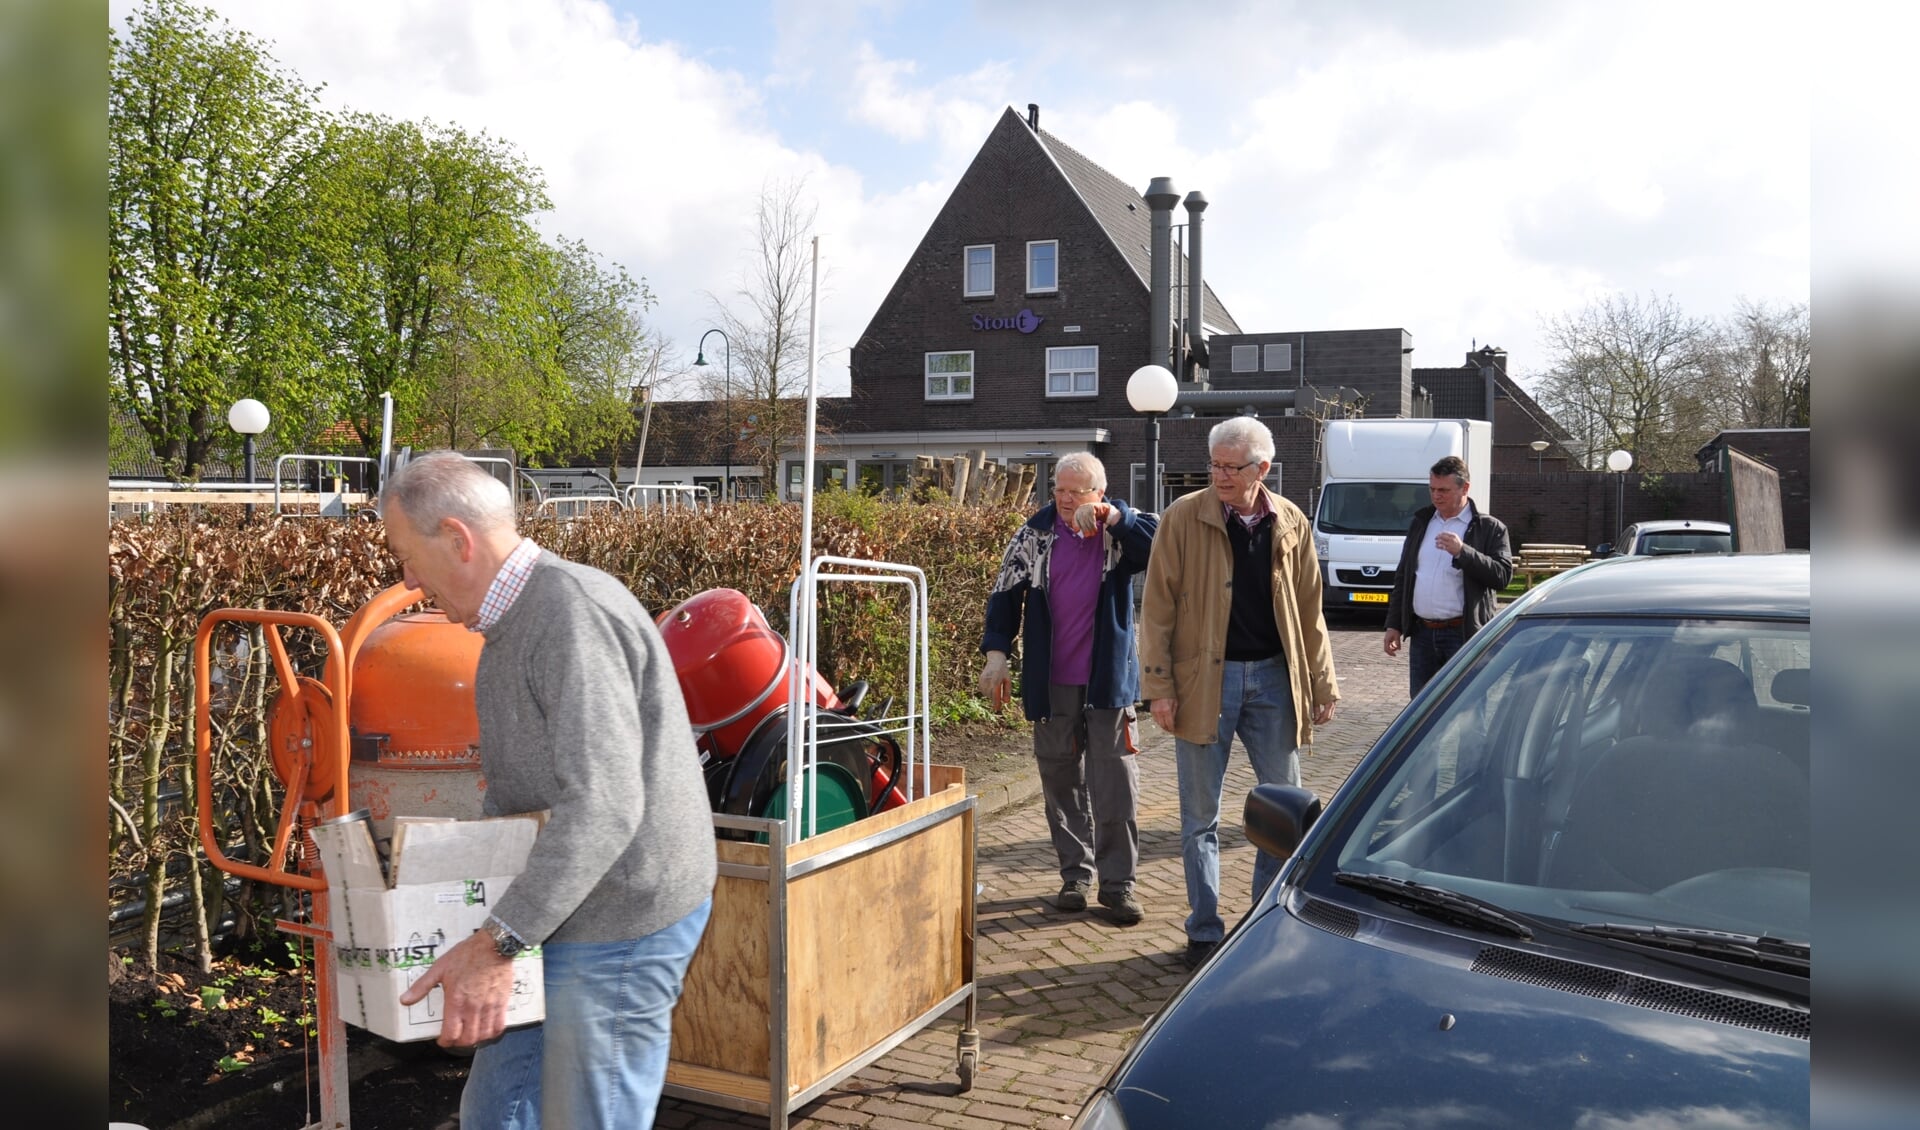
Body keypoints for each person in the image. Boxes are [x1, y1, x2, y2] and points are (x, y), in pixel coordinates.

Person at [380, 451, 716, 1130]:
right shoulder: (512, 620)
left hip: (618, 923)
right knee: (495, 1112)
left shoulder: (568, 616)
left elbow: (604, 806)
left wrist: (497, 942)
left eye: (406, 556)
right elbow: (527, 792)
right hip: (556, 915)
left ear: (457, 539)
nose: (408, 579)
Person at [1139, 418, 1340, 970]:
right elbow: (1156, 608)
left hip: (1276, 679)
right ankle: (1203, 931)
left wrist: (1322, 683)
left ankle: (1260, 925)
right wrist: (1158, 686)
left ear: (1262, 469)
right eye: (1216, 465)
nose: (1220, 475)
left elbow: (1309, 612)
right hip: (1205, 682)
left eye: (1232, 467)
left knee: (1283, 815)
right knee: (1200, 817)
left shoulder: (1291, 521)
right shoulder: (1182, 518)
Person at [980, 453, 1158, 924]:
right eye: (1059, 489)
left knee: (1115, 782)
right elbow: (1004, 595)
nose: (1064, 499)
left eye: (1075, 491)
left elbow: (1159, 548)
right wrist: (997, 654)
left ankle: (1118, 886)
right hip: (1051, 681)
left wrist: (1115, 518)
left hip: (1107, 682)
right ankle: (1075, 877)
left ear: (1098, 492)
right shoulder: (1034, 534)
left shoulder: (1120, 536)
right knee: (1060, 781)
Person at [1382, 455, 1513, 696]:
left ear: (1465, 488)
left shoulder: (1489, 528)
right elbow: (1404, 576)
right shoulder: (1421, 523)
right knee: (1420, 710)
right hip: (1422, 635)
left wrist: (1463, 552)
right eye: (1432, 489)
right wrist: (1394, 624)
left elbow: (1502, 576)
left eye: (1444, 490)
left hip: (1462, 635)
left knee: (1468, 706)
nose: (1436, 496)